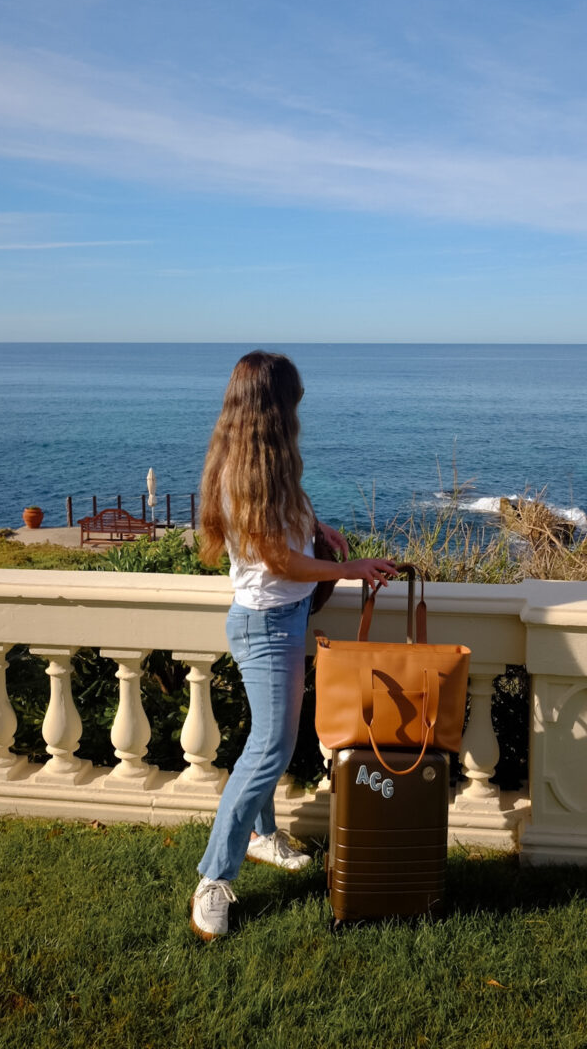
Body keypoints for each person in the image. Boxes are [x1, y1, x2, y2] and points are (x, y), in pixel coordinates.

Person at [190, 350, 396, 940]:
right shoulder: (243, 471)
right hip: (267, 625)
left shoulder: (260, 460)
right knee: (271, 751)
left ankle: (259, 836)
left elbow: (282, 529)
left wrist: (319, 526)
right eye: (292, 403)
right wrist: (348, 567)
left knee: (264, 740)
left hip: (282, 616)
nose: (297, 414)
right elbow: (276, 559)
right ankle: (213, 878)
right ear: (273, 408)